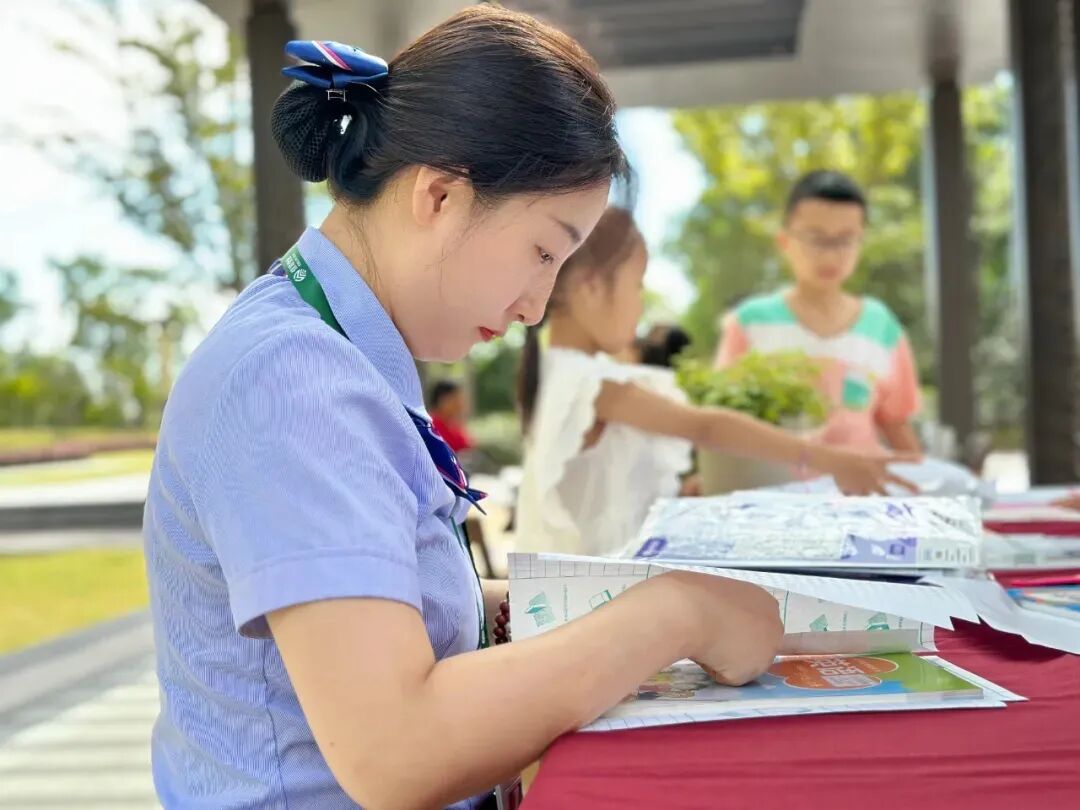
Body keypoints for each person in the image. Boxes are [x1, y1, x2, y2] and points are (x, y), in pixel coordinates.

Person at [142, 9, 784, 809]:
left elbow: (388, 609)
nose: (536, 305)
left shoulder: (330, 352)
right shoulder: (293, 381)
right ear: (440, 193)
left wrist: (588, 605)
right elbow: (395, 752)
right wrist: (675, 613)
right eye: (543, 251)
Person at [515, 207, 916, 557]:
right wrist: (828, 458)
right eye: (637, 286)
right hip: (602, 591)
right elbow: (706, 427)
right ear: (590, 288)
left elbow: (600, 494)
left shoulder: (555, 372)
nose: (640, 305)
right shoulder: (591, 382)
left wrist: (675, 497)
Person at [715, 170, 923, 453]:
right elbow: (722, 421)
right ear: (785, 242)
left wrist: (925, 477)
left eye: (845, 240)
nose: (830, 254)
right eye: (816, 238)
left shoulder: (882, 327)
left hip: (858, 481)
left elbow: (896, 424)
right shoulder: (750, 322)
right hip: (773, 480)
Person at [429, 379, 474, 454]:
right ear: (442, 400)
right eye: (456, 399)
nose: (460, 404)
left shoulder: (453, 424)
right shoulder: (431, 425)